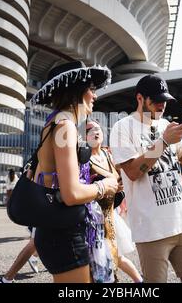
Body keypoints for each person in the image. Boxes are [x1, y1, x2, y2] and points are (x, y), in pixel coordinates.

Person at [109, 74, 182, 283]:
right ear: (140, 98)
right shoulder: (122, 128)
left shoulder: (166, 125)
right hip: (151, 229)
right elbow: (133, 173)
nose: (162, 105)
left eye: (165, 100)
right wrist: (163, 142)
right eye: (156, 100)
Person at [30, 61, 118, 283]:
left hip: (59, 228)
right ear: (77, 91)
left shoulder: (56, 122)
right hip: (63, 232)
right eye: (91, 89)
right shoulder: (65, 127)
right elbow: (70, 194)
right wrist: (105, 186)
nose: (95, 96)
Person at [86, 120, 119, 279]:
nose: (95, 132)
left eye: (97, 128)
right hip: (92, 220)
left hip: (110, 215)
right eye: (89, 130)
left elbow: (119, 176)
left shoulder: (108, 154)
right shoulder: (82, 159)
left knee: (113, 260)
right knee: (98, 270)